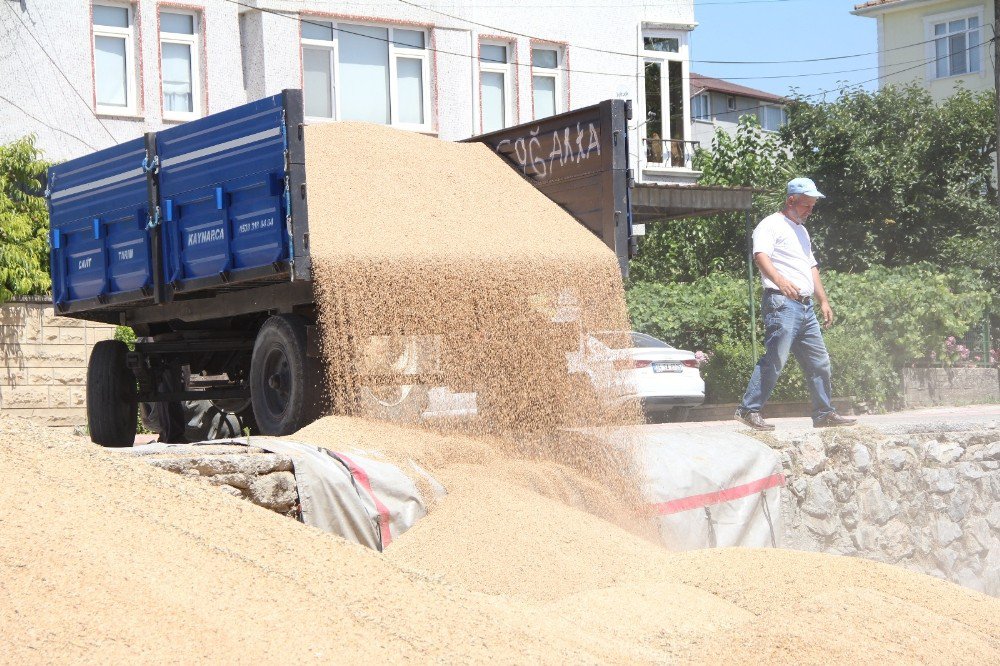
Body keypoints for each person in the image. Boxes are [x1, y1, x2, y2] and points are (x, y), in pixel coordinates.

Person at [734, 177, 856, 431]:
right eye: (806, 205)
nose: (810, 211)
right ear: (791, 200)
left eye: (812, 206)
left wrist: (823, 300)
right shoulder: (770, 224)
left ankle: (824, 413)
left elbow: (811, 266)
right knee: (776, 358)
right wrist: (780, 280)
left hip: (805, 307)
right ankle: (748, 410)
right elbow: (760, 256)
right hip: (782, 303)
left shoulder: (801, 230)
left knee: (819, 361)